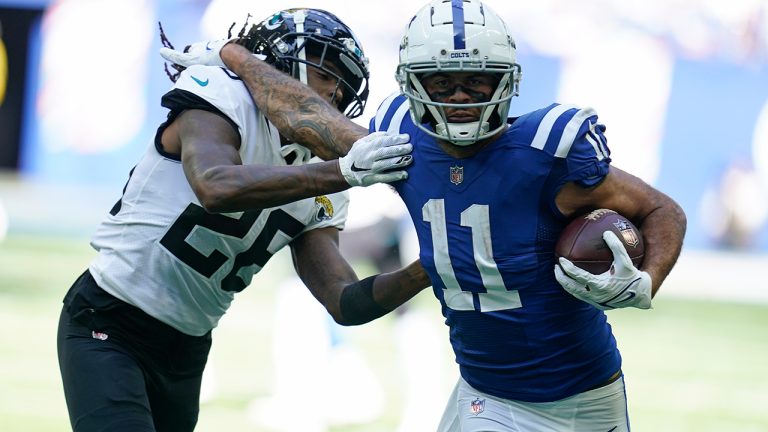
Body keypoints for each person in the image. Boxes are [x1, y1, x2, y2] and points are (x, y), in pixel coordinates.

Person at [162, 0, 687, 430]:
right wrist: (236, 56)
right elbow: (304, 114)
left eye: (475, 82)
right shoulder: (403, 142)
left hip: (566, 398)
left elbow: (662, 209)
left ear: (505, 81)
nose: (459, 96)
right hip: (480, 390)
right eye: (441, 82)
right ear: (414, 83)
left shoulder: (547, 151)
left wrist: (647, 279)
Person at [57, 8, 433, 432]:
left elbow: (344, 301)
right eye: (326, 73)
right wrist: (341, 171)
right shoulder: (221, 95)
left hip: (187, 349)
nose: (334, 95)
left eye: (343, 87)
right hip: (109, 320)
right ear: (281, 63)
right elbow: (215, 186)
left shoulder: (327, 179)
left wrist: (429, 269)